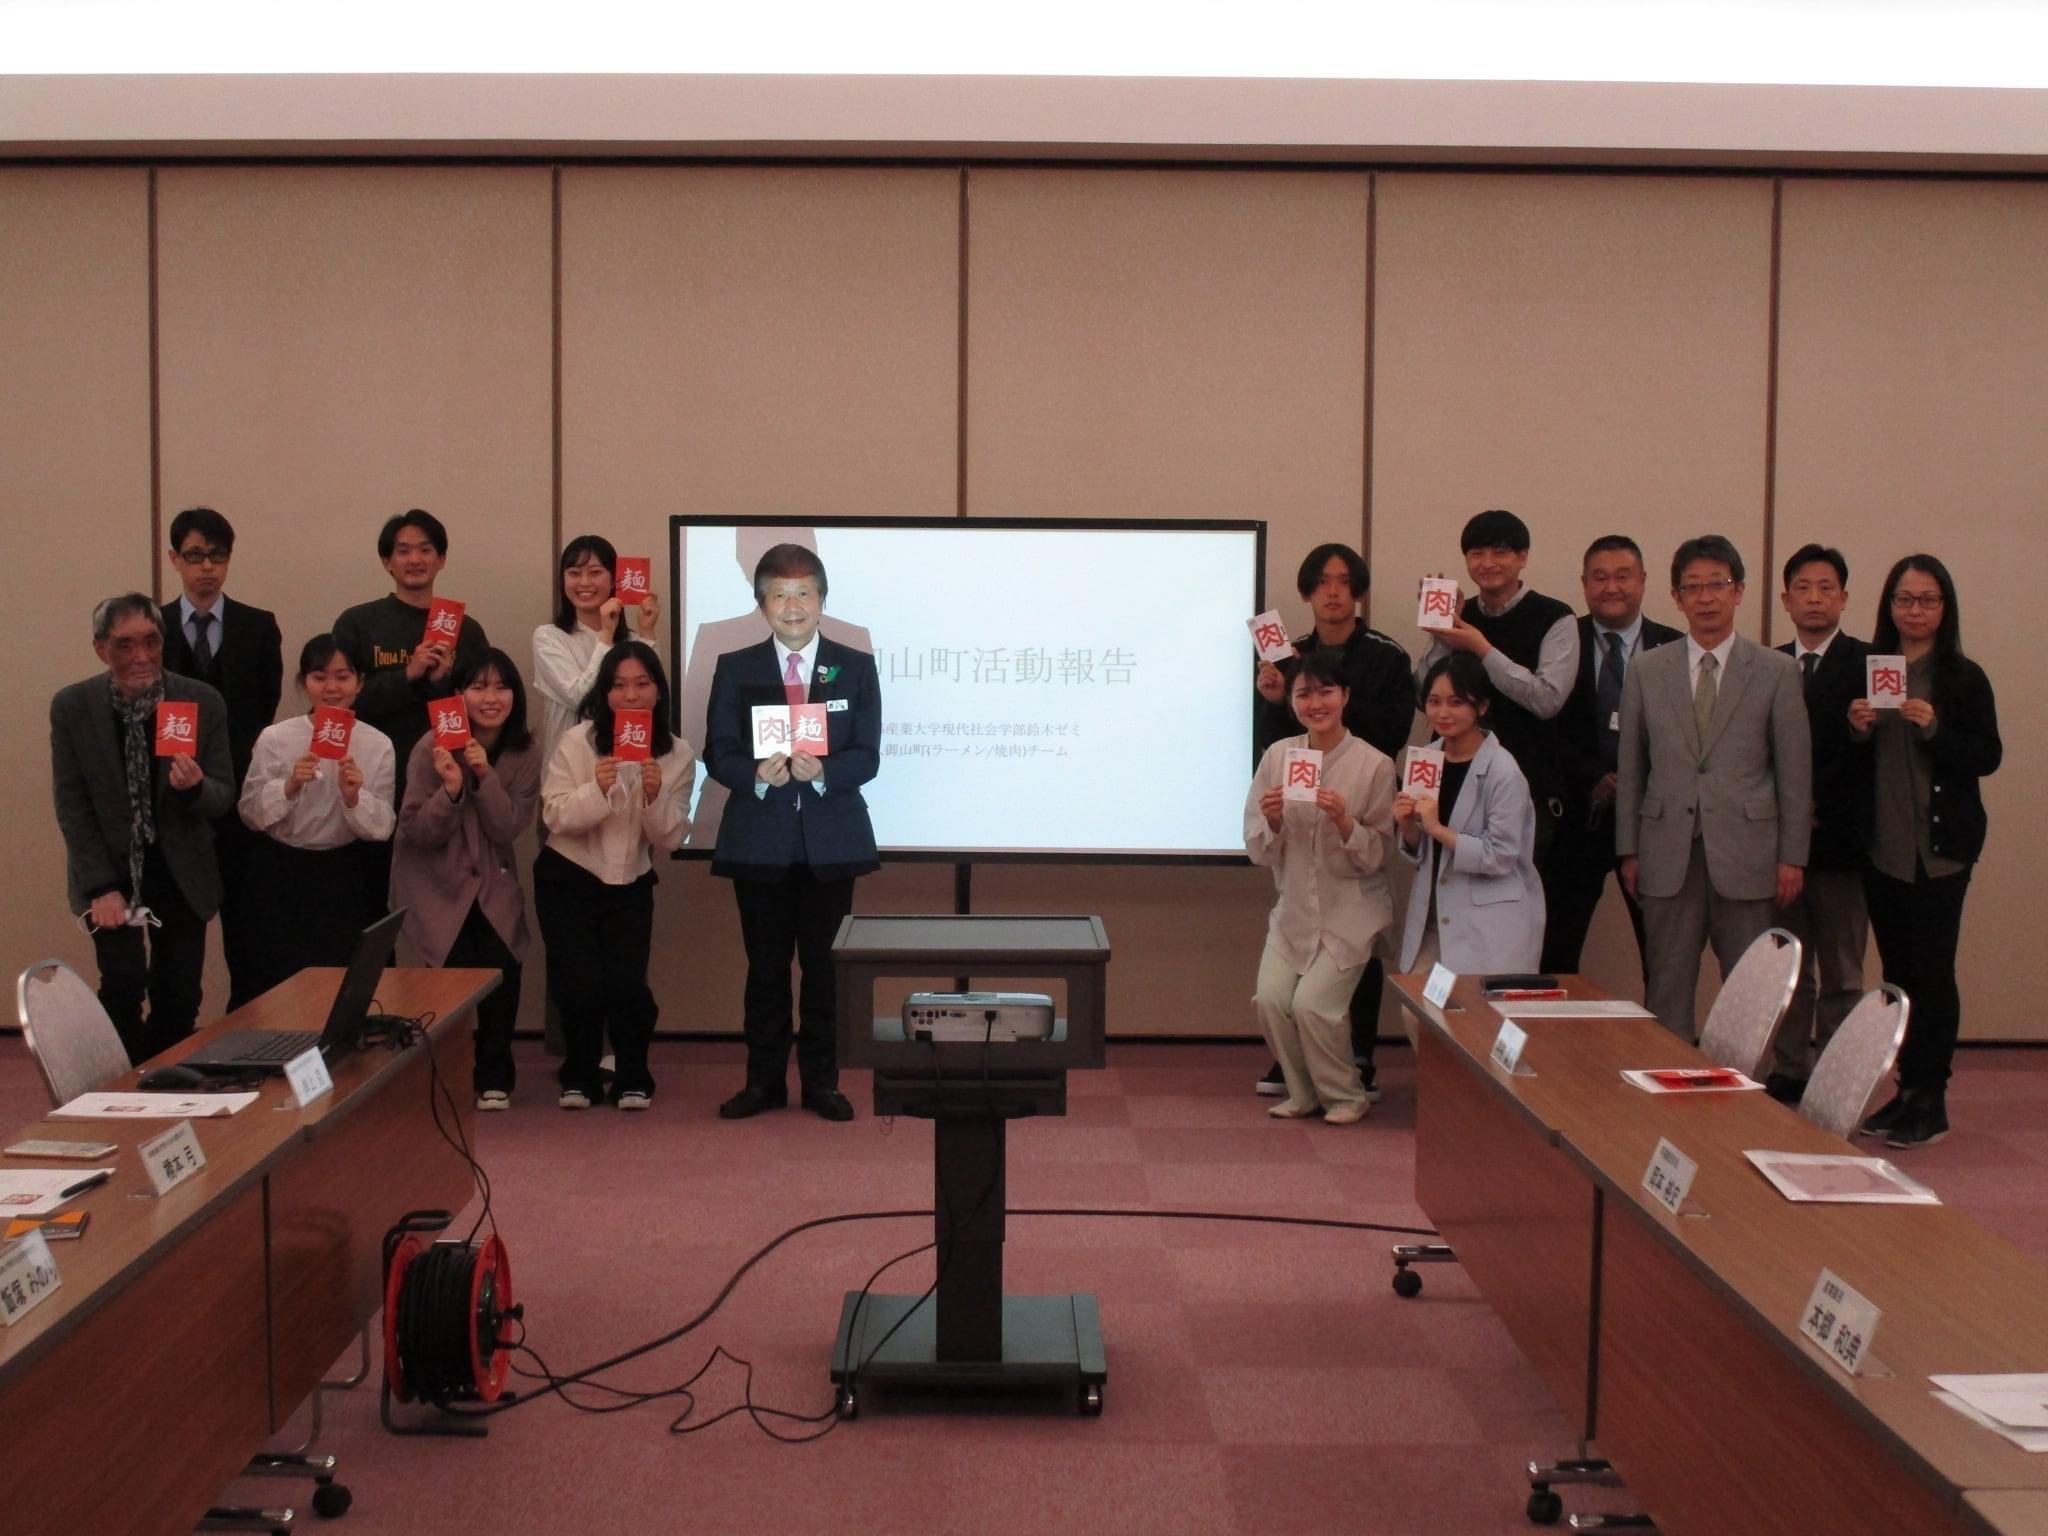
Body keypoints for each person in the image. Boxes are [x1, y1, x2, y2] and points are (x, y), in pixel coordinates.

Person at [704, 543, 881, 1123]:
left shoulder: (854, 666)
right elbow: (718, 751)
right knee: (766, 970)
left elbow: (867, 755)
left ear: (823, 600)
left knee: (825, 972)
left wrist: (824, 773)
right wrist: (756, 775)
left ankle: (823, 1084)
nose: (793, 605)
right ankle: (763, 1083)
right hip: (759, 840)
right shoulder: (737, 666)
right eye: (780, 594)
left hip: (831, 841)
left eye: (804, 592)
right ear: (762, 605)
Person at [1617, 536, 1811, 1043]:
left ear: (1739, 591)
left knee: (1750, 991)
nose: (1706, 597)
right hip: (1666, 852)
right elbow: (1632, 768)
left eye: (1717, 585)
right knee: (1667, 984)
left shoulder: (1775, 671)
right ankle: (1666, 1078)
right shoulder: (1646, 670)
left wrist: (1793, 856)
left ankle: (1744, 1086)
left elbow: (1794, 772)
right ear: (1676, 597)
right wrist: (1628, 849)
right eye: (1693, 587)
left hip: (1749, 853)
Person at [1251, 542, 1414, 1102]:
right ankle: (1297, 1065)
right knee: (1285, 979)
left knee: (1350, 955)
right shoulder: (1286, 656)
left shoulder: (1386, 655)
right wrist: (1276, 698)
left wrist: (1333, 732)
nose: (1333, 592)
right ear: (1306, 592)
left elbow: (1394, 731)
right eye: (1321, 582)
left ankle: (1356, 1060)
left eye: (1344, 581)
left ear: (1359, 590)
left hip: (1358, 801)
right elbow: (1270, 740)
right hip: (1300, 831)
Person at [1849, 555, 2000, 1149]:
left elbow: (1987, 756)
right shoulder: (1871, 669)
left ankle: (1931, 1097)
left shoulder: (1963, 677)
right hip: (1882, 847)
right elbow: (1845, 761)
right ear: (1888, 606)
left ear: (1945, 608)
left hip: (1941, 850)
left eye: (1928, 600)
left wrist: (1936, 728)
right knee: (1897, 975)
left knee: (1934, 974)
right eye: (1904, 599)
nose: (1915, 611)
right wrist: (1856, 727)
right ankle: (1905, 1087)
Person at [49, 594, 234, 1064]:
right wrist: (100, 887)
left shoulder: (200, 700)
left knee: (179, 993)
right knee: (123, 982)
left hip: (179, 869)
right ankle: (121, 1081)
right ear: (101, 649)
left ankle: (164, 1080)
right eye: (125, 645)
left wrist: (195, 788)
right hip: (110, 871)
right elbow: (73, 806)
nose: (141, 657)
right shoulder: (73, 707)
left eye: (151, 642)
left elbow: (222, 796)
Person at [537, 641, 692, 1111]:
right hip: (569, 875)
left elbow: (671, 837)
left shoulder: (678, 753)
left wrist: (654, 797)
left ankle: (632, 1074)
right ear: (604, 694)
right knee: (578, 983)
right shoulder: (578, 741)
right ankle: (579, 1075)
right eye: (619, 685)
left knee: (627, 984)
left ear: (659, 692)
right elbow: (555, 816)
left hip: (631, 880)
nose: (631, 695)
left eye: (642, 684)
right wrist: (598, 789)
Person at [1245, 649, 1396, 1124]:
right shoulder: (1278, 757)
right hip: (1294, 912)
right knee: (1271, 1001)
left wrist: (1345, 822)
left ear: (1345, 696)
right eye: (1304, 694)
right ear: (1290, 701)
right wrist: (1273, 821)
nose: (1316, 703)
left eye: (1326, 691)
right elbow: (1258, 849)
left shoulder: (1374, 765)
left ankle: (1346, 1095)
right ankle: (1303, 1091)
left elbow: (1379, 854)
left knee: (1313, 1007)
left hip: (1351, 912)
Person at [395, 649, 543, 1111]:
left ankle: (495, 1074)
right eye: (478, 687)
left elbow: (507, 827)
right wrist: (451, 790)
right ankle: (450, 1076)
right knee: (450, 981)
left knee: (503, 968)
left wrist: (482, 775)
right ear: (458, 695)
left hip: (494, 881)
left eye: (501, 687)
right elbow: (417, 832)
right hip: (438, 884)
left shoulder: (525, 751)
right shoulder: (431, 746)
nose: (490, 698)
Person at [1541, 535, 1682, 975]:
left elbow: (1687, 736)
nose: (1612, 587)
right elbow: (1543, 723)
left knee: (1661, 953)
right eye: (1600, 578)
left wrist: (1638, 781)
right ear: (1584, 584)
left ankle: (1661, 1022)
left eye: (1623, 576)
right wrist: (1591, 776)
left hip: (1652, 820)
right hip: (1577, 815)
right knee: (1557, 950)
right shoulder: (1562, 640)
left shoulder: (1674, 647)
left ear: (1643, 581)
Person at [160, 506, 283, 1008]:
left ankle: (248, 1028)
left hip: (238, 800)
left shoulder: (258, 626)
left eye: (218, 555)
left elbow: (264, 708)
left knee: (247, 935)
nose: (207, 567)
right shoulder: (154, 627)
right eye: (195, 555)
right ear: (174, 559)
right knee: (176, 945)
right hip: (171, 803)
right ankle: (172, 1032)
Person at [1763, 545, 1873, 1104]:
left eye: (1826, 588)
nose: (1814, 598)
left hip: (1843, 842)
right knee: (1790, 965)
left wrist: (1861, 732)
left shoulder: (1871, 664)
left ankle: (1834, 1077)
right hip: (1780, 842)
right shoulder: (1767, 663)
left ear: (1844, 598)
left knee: (1843, 972)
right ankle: (1790, 1066)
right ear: (1785, 599)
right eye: (1802, 588)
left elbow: (1884, 757)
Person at [236, 635, 396, 998]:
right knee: (279, 984)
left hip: (345, 875)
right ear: (303, 682)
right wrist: (290, 785)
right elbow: (249, 812)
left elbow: (384, 826)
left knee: (342, 984)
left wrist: (354, 798)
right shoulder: (276, 737)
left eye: (343, 677)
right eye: (319, 677)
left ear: (360, 682)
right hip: (282, 872)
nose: (331, 688)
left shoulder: (378, 744)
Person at [1394, 654, 1546, 980]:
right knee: (1418, 1003)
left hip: (1488, 924)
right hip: (1434, 916)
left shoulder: (1504, 771)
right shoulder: (1427, 758)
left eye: (1456, 702)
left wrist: (1437, 828)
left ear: (1482, 707)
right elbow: (1425, 852)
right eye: (1434, 701)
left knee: (1473, 1011)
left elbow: (1500, 855)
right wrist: (1408, 828)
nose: (1443, 713)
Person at [333, 508, 491, 798]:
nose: (415, 559)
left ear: (441, 559)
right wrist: (408, 674)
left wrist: (439, 682)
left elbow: (483, 710)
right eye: (403, 551)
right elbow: (339, 702)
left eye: (425, 550)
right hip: (368, 771)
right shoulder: (357, 623)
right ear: (387, 562)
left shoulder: (466, 630)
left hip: (444, 773)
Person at [532, 534, 663, 773]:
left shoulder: (632, 641)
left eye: (595, 573)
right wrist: (606, 634)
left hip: (626, 767)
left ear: (614, 579)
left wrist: (646, 632)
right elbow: (580, 698)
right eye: (574, 573)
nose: (584, 582)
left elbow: (652, 699)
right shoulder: (549, 637)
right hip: (569, 769)